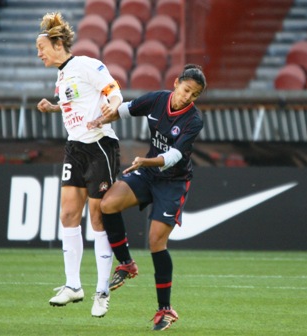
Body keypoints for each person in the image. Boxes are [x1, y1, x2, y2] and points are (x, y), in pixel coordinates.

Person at [88, 64, 207, 331]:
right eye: (187, 89)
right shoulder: (157, 99)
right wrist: (99, 120)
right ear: (176, 83)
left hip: (173, 182)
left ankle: (165, 309)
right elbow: (124, 110)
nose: (188, 97)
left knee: (156, 241)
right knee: (107, 204)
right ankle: (126, 264)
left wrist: (145, 161)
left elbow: (174, 157)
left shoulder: (194, 120)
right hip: (148, 173)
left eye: (194, 94)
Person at [35, 12, 123, 318]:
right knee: (68, 213)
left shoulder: (86, 64)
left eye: (42, 46)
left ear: (58, 43)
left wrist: (111, 110)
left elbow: (113, 91)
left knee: (98, 219)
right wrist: (54, 107)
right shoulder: (62, 75)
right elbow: (78, 101)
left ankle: (102, 290)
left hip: (99, 145)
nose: (39, 53)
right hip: (74, 147)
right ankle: (73, 285)